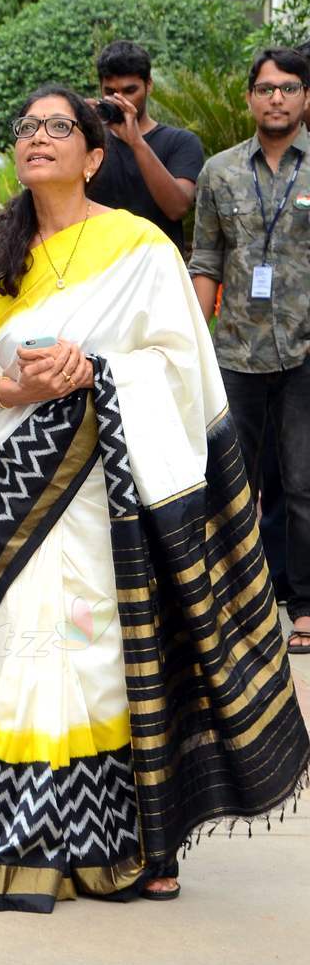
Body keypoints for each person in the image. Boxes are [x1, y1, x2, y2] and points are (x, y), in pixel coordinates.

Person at [0, 84, 308, 914]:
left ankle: (129, 839)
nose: (37, 139)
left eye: (58, 127)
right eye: (28, 128)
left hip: (117, 490)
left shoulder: (142, 247)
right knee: (25, 650)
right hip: (24, 484)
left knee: (103, 650)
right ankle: (24, 835)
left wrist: (99, 373)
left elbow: (184, 366)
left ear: (94, 154)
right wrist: (23, 387)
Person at [189, 48, 310, 654]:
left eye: (288, 88)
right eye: (265, 88)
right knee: (228, 479)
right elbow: (207, 258)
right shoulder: (218, 172)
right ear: (249, 98)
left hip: (306, 353)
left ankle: (306, 606)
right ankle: (234, 601)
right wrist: (195, 340)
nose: (277, 99)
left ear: (305, 97)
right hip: (235, 351)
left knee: (304, 481)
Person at [87, 40, 204, 254]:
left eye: (130, 90)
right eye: (110, 92)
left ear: (149, 85)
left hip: (157, 270)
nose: (120, 100)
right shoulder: (90, 143)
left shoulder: (181, 142)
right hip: (99, 266)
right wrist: (76, 125)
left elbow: (177, 208)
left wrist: (136, 142)